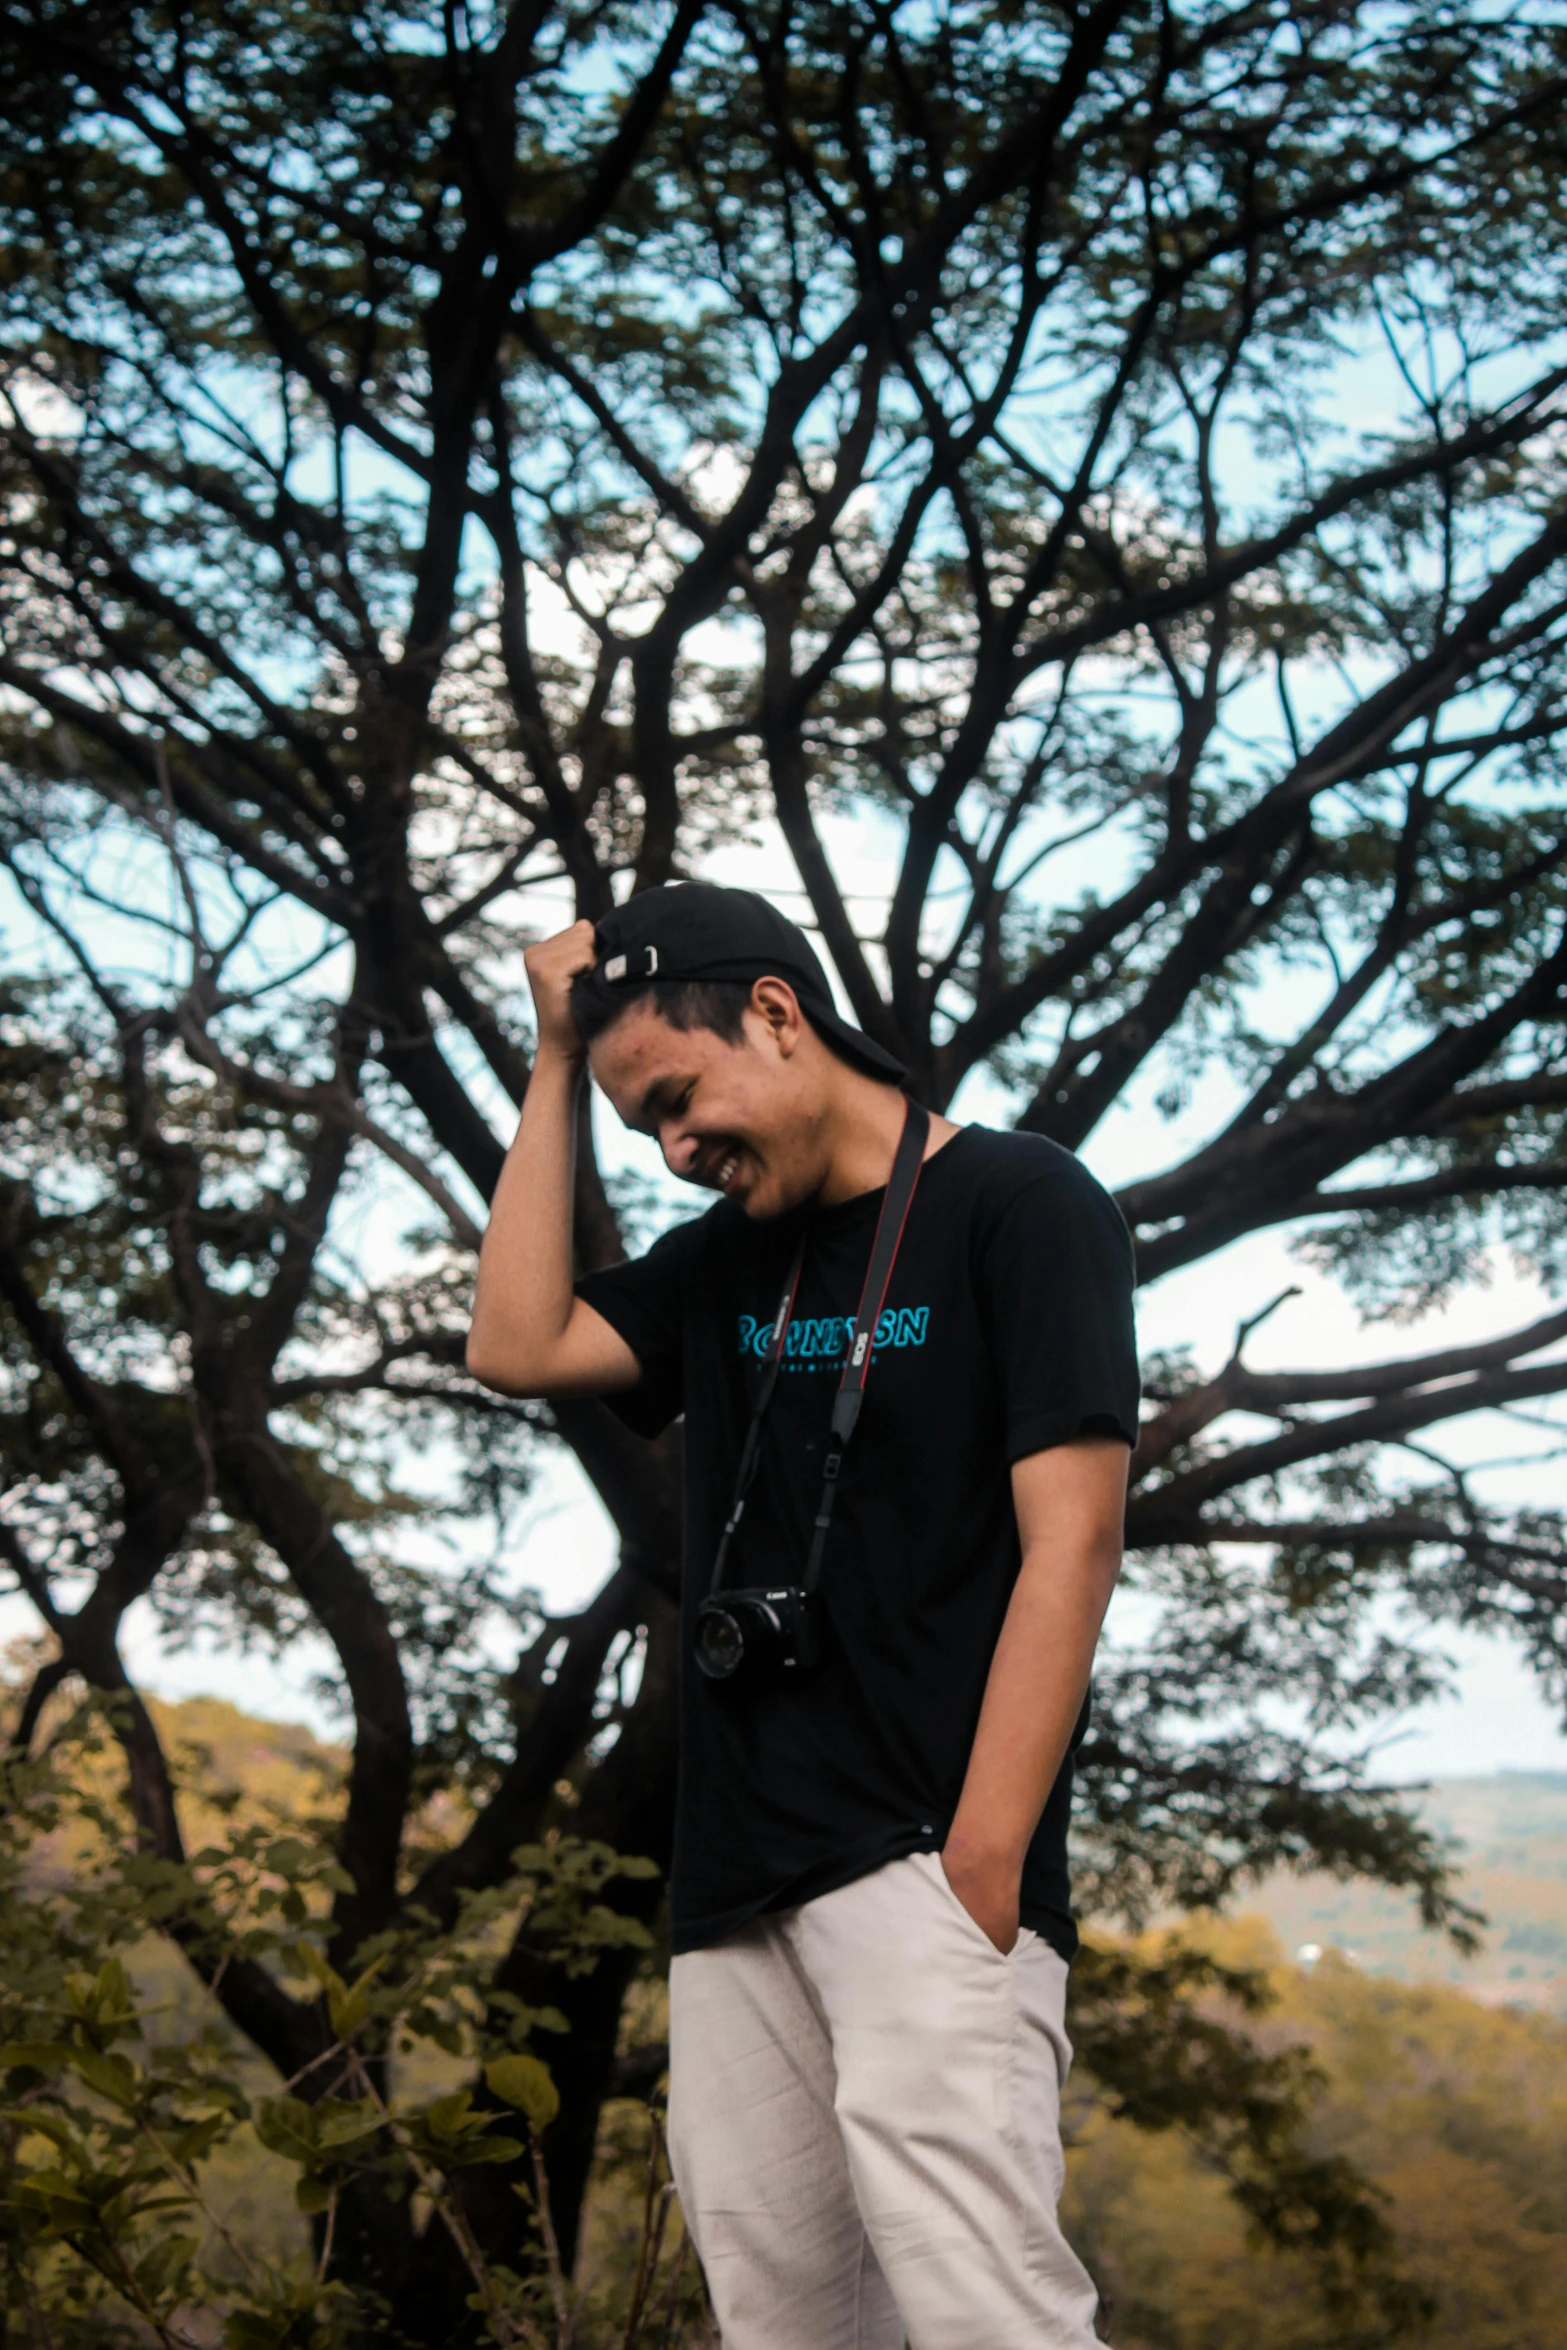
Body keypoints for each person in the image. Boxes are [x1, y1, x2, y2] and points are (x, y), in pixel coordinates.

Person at [467, 881, 1140, 2350]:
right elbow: (515, 1340)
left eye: (678, 1098)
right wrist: (556, 1059)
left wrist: (983, 1856)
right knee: (784, 2325)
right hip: (734, 1885)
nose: (672, 1148)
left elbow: (1073, 1542)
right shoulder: (724, 1260)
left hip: (924, 1858)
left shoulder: (1020, 1203)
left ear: (774, 1011)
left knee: (987, 2318)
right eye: (642, 1123)